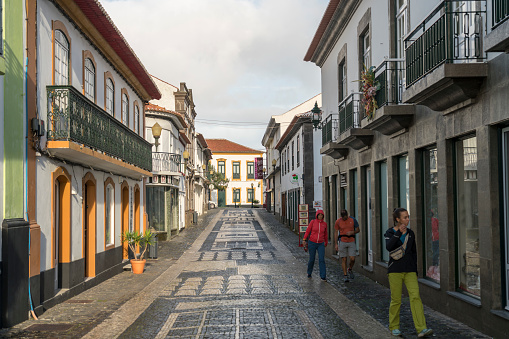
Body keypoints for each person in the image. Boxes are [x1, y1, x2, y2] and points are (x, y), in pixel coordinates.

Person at [385, 208, 433, 338]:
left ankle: (421, 328)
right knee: (396, 300)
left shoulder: (411, 233)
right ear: (398, 219)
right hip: (395, 270)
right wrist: (398, 234)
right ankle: (394, 327)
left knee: (415, 297)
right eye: (405, 217)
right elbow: (389, 246)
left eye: (408, 217)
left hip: (410, 271)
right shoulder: (390, 232)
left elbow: (413, 252)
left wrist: (416, 270)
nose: (407, 219)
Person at [334, 209, 360, 283]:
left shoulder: (353, 220)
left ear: (347, 215)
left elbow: (358, 229)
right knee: (344, 259)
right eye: (343, 218)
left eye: (345, 217)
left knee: (352, 259)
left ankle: (350, 269)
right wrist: (336, 244)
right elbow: (336, 233)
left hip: (351, 240)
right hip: (342, 241)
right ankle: (345, 275)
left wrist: (353, 232)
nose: (344, 219)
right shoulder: (338, 221)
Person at [302, 210, 328, 281]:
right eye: (319, 215)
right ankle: (309, 272)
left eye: (321, 215)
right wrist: (304, 239)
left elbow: (325, 234)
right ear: (316, 215)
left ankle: (323, 276)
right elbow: (308, 231)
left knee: (321, 259)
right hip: (312, 243)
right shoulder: (313, 222)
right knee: (312, 259)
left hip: (320, 243)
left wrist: (326, 242)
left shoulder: (324, 224)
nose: (320, 216)